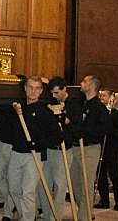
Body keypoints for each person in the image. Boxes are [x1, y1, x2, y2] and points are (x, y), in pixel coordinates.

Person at [7, 75, 62, 221]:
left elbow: (57, 137)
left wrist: (39, 144)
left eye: (37, 88)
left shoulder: (46, 113)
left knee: (28, 191)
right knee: (13, 188)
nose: (33, 91)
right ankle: (24, 214)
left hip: (33, 156)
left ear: (41, 91)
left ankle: (28, 218)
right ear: (25, 89)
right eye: (30, 87)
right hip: (16, 153)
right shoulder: (17, 108)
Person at [41, 76, 84, 221]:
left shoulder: (74, 105)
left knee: (60, 187)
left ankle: (56, 217)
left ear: (64, 89)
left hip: (63, 151)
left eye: (56, 93)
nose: (54, 96)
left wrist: (66, 120)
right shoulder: (51, 103)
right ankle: (46, 215)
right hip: (49, 149)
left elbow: (78, 131)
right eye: (52, 93)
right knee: (45, 185)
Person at [70, 74, 110, 221]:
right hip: (76, 148)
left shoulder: (99, 108)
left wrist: (86, 132)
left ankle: (84, 217)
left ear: (92, 86)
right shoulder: (81, 104)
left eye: (85, 81)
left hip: (89, 149)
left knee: (86, 184)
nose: (81, 83)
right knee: (75, 185)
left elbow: (105, 128)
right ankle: (87, 211)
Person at [95, 89, 118, 211]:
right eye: (100, 95)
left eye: (104, 96)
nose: (102, 97)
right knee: (101, 176)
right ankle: (104, 200)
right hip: (101, 149)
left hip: (113, 150)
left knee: (115, 176)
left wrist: (108, 131)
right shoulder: (99, 113)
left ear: (111, 97)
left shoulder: (116, 114)